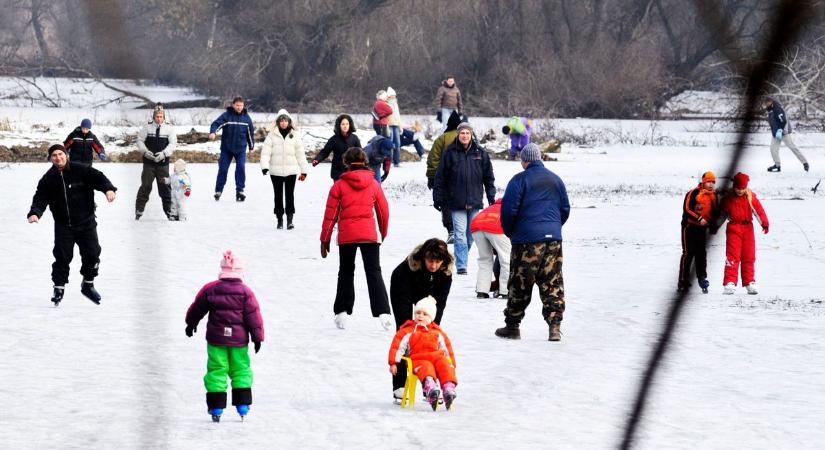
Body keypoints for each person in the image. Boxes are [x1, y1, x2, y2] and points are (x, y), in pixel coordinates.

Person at [495, 143, 570, 341]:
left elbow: (508, 211)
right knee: (552, 282)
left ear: (525, 160)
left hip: (527, 240)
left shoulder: (519, 180)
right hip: (553, 239)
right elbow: (565, 209)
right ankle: (555, 326)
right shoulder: (556, 180)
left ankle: (512, 326)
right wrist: (553, 228)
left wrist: (512, 233)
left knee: (520, 282)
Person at [27, 144, 117, 306]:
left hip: (86, 222)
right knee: (62, 257)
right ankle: (58, 288)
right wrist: (35, 213)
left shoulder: (80, 169)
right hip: (64, 225)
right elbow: (40, 198)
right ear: (51, 158)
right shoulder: (48, 179)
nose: (58, 158)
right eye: (54, 155)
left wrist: (108, 189)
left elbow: (99, 178)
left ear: (66, 155)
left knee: (93, 254)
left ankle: (88, 284)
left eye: (60, 154)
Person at [185, 250, 264, 422]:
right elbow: (253, 316)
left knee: (216, 370)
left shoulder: (211, 289)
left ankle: (216, 407)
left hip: (216, 340)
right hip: (239, 342)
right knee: (240, 369)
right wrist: (257, 337)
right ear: (241, 272)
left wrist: (191, 323)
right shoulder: (246, 292)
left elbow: (197, 307)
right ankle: (242, 405)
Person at [320, 147, 392, 330]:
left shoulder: (339, 185)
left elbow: (331, 215)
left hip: (347, 235)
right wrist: (382, 233)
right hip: (369, 234)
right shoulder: (374, 184)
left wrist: (325, 239)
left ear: (346, 163)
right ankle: (384, 314)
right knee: (374, 272)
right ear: (365, 162)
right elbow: (383, 212)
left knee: (345, 271)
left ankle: (342, 314)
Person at [389, 239, 453, 401]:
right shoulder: (409, 268)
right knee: (406, 332)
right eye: (430, 261)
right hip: (403, 286)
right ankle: (399, 385)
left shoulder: (445, 273)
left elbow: (440, 303)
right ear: (423, 257)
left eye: (438, 262)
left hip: (429, 293)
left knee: (429, 334)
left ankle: (429, 386)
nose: (433, 265)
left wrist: (432, 324)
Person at [433, 121, 496, 275]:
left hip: (474, 201)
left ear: (471, 134)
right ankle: (462, 266)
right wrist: (438, 197)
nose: (465, 135)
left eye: (467, 133)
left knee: (471, 235)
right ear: (458, 134)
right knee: (460, 235)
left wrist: (491, 197)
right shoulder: (450, 153)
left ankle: (458, 258)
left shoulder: (480, 153)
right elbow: (440, 177)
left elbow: (488, 178)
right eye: (462, 133)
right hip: (456, 201)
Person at [388, 296, 457, 410]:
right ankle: (430, 388)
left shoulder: (437, 331)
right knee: (426, 367)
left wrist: (452, 364)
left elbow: (447, 348)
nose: (420, 316)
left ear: (431, 317)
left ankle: (448, 388)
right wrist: (393, 362)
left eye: (425, 314)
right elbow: (397, 346)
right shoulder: (408, 330)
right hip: (418, 359)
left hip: (436, 358)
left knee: (445, 364)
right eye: (418, 313)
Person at [718, 172, 769, 295]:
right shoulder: (728, 198)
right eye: (738, 188)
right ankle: (729, 282)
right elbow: (721, 214)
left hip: (748, 229)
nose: (740, 191)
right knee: (732, 256)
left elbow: (759, 210)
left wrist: (764, 223)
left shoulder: (750, 197)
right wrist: (714, 226)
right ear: (734, 186)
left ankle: (749, 282)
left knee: (749, 256)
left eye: (742, 188)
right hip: (733, 228)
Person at [260, 109, 309, 230]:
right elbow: (265, 153)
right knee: (278, 196)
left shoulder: (295, 135)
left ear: (289, 122)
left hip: (291, 171)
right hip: (275, 172)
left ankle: (290, 220)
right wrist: (265, 166)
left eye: (285, 120)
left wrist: (304, 170)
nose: (283, 123)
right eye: (281, 120)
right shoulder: (271, 135)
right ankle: (279, 220)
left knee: (289, 195)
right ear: (277, 122)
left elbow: (300, 154)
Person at [677, 171, 718, 293]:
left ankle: (702, 277)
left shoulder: (714, 196)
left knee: (701, 254)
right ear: (703, 182)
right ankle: (683, 281)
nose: (710, 185)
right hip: (689, 227)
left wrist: (712, 225)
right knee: (688, 253)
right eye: (708, 182)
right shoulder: (693, 193)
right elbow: (687, 209)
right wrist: (699, 218)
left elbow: (715, 213)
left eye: (713, 182)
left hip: (702, 229)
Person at [135, 104, 177, 221]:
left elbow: (173, 143)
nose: (159, 118)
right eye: (157, 116)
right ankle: (139, 210)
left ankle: (169, 211)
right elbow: (139, 140)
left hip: (163, 165)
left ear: (164, 117)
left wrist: (164, 153)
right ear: (154, 116)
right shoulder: (147, 127)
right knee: (145, 187)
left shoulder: (169, 129)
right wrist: (145, 151)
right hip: (149, 164)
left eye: (161, 116)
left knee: (164, 188)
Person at [427, 111, 463, 243]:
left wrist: (432, 177)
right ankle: (462, 230)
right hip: (464, 178)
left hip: (446, 178)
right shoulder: (468, 136)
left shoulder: (442, 139)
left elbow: (433, 159)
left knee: (446, 204)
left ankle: (451, 230)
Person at [209, 97, 255, 202]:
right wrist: (213, 132)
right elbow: (216, 124)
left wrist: (251, 146)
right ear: (233, 105)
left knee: (241, 167)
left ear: (243, 106)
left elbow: (250, 134)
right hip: (227, 148)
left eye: (241, 105)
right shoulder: (227, 116)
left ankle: (240, 191)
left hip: (241, 149)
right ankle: (218, 190)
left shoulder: (246, 118)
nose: (239, 107)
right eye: (237, 105)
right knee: (223, 169)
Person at [470, 198, 511, 299]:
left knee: (485, 259)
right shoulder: (510, 207)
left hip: (476, 227)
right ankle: (505, 291)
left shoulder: (492, 207)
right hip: (496, 228)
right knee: (506, 260)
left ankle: (482, 291)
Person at [764, 98, 809, 173]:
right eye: (765, 103)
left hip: (784, 132)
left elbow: (783, 121)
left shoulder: (777, 109)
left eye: (767, 102)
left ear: (771, 102)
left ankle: (805, 163)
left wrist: (780, 130)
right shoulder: (770, 110)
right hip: (776, 133)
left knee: (792, 147)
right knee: (773, 149)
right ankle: (777, 166)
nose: (765, 104)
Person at [312, 114, 361, 181]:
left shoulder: (354, 138)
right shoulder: (334, 139)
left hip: (351, 171)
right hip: (338, 172)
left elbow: (361, 153)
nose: (345, 126)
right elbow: (325, 151)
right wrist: (317, 159)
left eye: (347, 124)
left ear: (350, 125)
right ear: (339, 125)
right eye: (343, 124)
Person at [386, 87, 402, 166]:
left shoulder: (395, 104)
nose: (394, 97)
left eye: (394, 96)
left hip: (396, 126)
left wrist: (400, 126)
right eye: (393, 96)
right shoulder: (386, 104)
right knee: (390, 144)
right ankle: (389, 162)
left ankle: (397, 162)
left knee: (398, 144)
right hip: (389, 126)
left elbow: (398, 116)